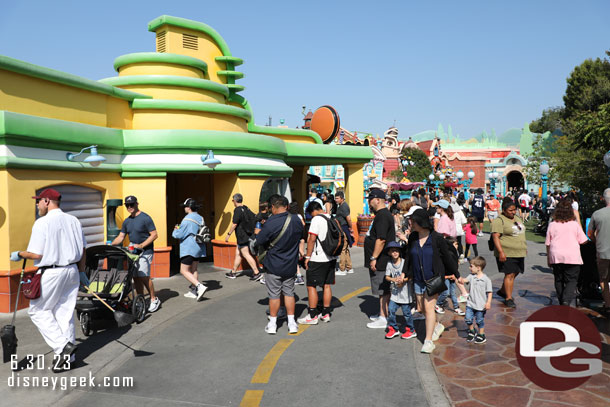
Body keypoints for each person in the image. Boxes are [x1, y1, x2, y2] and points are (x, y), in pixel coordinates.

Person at [10, 188, 86, 371]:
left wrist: (19, 254)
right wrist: (82, 272)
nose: (37, 205)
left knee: (38, 311)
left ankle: (63, 347)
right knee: (64, 314)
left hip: (52, 273)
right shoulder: (74, 220)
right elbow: (83, 249)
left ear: (46, 201)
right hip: (72, 271)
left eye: (38, 201)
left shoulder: (42, 223)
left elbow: (36, 253)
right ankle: (68, 359)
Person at [403, 209, 458, 353]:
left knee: (428, 308)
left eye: (413, 221)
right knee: (421, 309)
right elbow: (409, 256)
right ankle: (438, 325)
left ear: (420, 222)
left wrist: (456, 275)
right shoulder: (413, 237)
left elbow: (447, 257)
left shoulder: (436, 238)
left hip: (433, 279)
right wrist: (404, 272)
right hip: (417, 279)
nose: (411, 223)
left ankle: (428, 341)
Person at [256, 196, 304, 334]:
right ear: (286, 206)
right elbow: (301, 236)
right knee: (289, 293)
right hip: (290, 264)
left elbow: (259, 240)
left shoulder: (271, 222)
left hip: (273, 264)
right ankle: (292, 323)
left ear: (273, 207)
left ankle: (272, 325)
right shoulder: (296, 220)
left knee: (274, 295)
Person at [112, 195, 160, 313]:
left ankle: (154, 299)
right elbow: (121, 237)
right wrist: (110, 245)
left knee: (143, 276)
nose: (129, 207)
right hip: (133, 252)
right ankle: (141, 299)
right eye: (127, 205)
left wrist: (142, 245)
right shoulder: (127, 221)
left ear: (137, 204)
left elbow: (154, 235)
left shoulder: (145, 218)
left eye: (132, 204)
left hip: (145, 251)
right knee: (135, 277)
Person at [298, 201, 337, 325]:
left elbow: (312, 239)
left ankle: (313, 315)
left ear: (312, 211)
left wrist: (307, 256)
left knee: (311, 286)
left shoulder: (316, 220)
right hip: (331, 257)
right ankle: (326, 313)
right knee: (326, 285)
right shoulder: (331, 217)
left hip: (317, 258)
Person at [546, 199, 588, 306]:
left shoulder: (552, 224)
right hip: (572, 256)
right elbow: (583, 240)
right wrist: (578, 219)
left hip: (556, 255)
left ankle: (562, 299)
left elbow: (548, 243)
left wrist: (548, 258)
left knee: (559, 279)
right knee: (572, 280)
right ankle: (566, 300)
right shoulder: (574, 225)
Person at [364, 188, 395, 329]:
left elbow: (381, 239)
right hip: (380, 258)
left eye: (370, 200)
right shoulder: (381, 215)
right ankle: (382, 313)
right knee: (381, 289)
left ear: (377, 200)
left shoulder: (382, 216)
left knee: (383, 289)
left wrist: (373, 257)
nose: (369, 203)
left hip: (381, 259)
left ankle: (384, 317)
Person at [491, 198, 527, 308]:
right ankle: (508, 298)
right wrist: (501, 252)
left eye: (514, 210)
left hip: (519, 251)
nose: (513, 212)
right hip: (507, 252)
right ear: (504, 210)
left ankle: (503, 290)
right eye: (510, 210)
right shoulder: (499, 220)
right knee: (509, 274)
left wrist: (524, 246)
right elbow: (495, 237)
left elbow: (521, 233)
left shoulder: (516, 218)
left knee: (516, 272)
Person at [172, 198, 207, 301]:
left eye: (185, 206)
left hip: (188, 247)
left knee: (183, 270)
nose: (184, 208)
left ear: (189, 207)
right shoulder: (200, 217)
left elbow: (178, 235)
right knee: (194, 269)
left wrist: (175, 229)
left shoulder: (186, 220)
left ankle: (199, 286)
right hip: (198, 247)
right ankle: (194, 291)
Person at [225, 193, 262, 281]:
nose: (232, 202)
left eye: (233, 200)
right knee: (238, 254)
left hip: (242, 236)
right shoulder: (246, 208)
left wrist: (228, 234)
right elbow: (255, 217)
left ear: (235, 200)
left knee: (245, 254)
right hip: (246, 235)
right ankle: (233, 272)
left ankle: (256, 273)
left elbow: (234, 224)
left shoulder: (237, 210)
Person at [384, 242, 417, 340]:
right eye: (392, 251)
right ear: (389, 253)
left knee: (407, 314)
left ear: (399, 252)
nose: (395, 253)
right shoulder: (389, 263)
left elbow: (410, 276)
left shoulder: (404, 262)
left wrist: (403, 280)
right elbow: (387, 277)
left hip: (405, 294)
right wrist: (394, 280)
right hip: (394, 294)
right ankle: (393, 328)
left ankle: (411, 330)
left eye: (396, 251)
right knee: (391, 310)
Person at [458, 256, 492, 344]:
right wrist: (458, 278)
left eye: (471, 266)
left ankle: (481, 334)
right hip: (470, 304)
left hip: (480, 305)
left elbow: (490, 292)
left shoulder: (486, 280)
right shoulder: (471, 276)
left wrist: (488, 302)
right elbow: (464, 280)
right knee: (468, 319)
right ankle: (472, 331)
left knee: (479, 320)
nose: (469, 268)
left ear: (478, 268)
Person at [587, 188, 610, 311]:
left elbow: (590, 234)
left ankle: (608, 304)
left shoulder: (597, 214)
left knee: (604, 279)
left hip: (602, 251)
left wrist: (597, 242)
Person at [436, 236, 465, 316]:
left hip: (452, 276)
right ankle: (437, 304)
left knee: (453, 292)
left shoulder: (455, 253)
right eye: (455, 244)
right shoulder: (447, 255)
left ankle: (456, 307)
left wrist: (455, 275)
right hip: (446, 276)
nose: (457, 246)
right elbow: (445, 267)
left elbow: (455, 266)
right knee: (446, 292)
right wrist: (449, 276)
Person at [334, 191, 355, 276]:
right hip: (342, 228)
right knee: (345, 249)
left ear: (342, 198)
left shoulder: (344, 206)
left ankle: (342, 269)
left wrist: (350, 228)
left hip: (344, 229)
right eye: (335, 198)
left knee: (343, 249)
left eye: (337, 198)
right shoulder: (341, 206)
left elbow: (348, 218)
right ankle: (349, 268)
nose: (336, 200)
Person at [288, 201, 306, 285]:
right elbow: (303, 224)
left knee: (295, 256)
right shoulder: (299, 216)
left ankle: (299, 276)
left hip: (294, 238)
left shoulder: (289, 217)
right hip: (301, 237)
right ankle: (308, 264)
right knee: (302, 253)